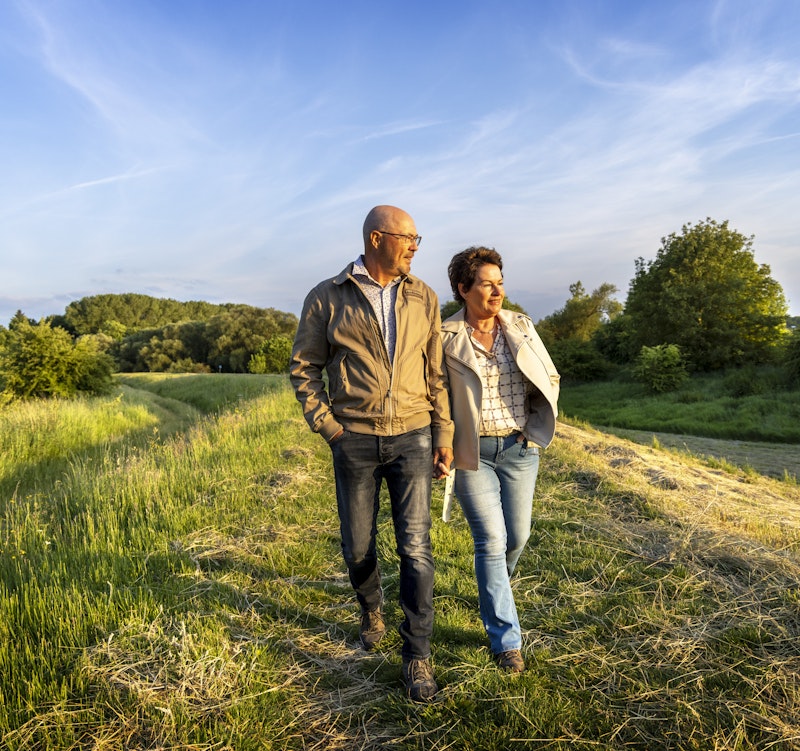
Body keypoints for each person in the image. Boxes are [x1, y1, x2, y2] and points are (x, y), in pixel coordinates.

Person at [290, 205, 454, 702]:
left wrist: (443, 435)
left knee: (416, 548)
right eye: (408, 238)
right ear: (377, 238)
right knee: (358, 546)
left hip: (413, 435)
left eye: (418, 239)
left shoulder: (423, 295)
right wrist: (328, 426)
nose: (415, 246)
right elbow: (304, 367)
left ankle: (417, 655)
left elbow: (435, 372)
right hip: (354, 438)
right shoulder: (327, 296)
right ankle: (370, 608)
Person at [440, 246, 559, 673]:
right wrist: (443, 443)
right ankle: (506, 641)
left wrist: (535, 428)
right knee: (490, 541)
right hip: (472, 454)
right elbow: (436, 395)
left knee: (518, 537)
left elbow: (548, 375)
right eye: (487, 284)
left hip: (519, 450)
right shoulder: (444, 336)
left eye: (500, 283)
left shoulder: (520, 326)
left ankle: (494, 591)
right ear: (463, 289)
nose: (497, 291)